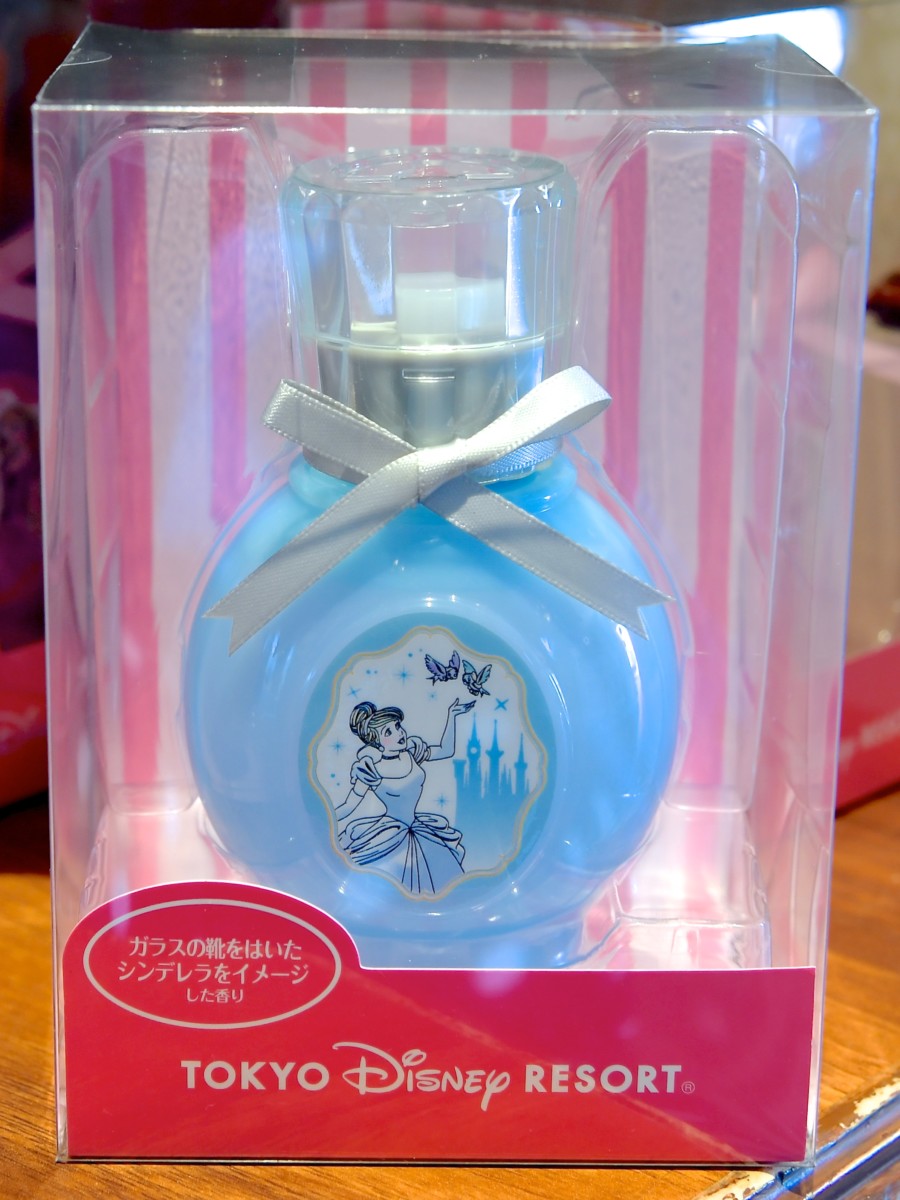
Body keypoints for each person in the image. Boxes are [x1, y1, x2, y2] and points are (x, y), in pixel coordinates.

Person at [334, 697, 474, 896]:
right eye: (388, 732)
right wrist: (323, 819)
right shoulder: (371, 770)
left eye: (397, 726)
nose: (399, 733)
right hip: (390, 835)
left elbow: (446, 750)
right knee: (395, 886)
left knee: (442, 881)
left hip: (419, 829)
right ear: (377, 742)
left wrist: (452, 715)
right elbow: (350, 805)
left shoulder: (411, 754)